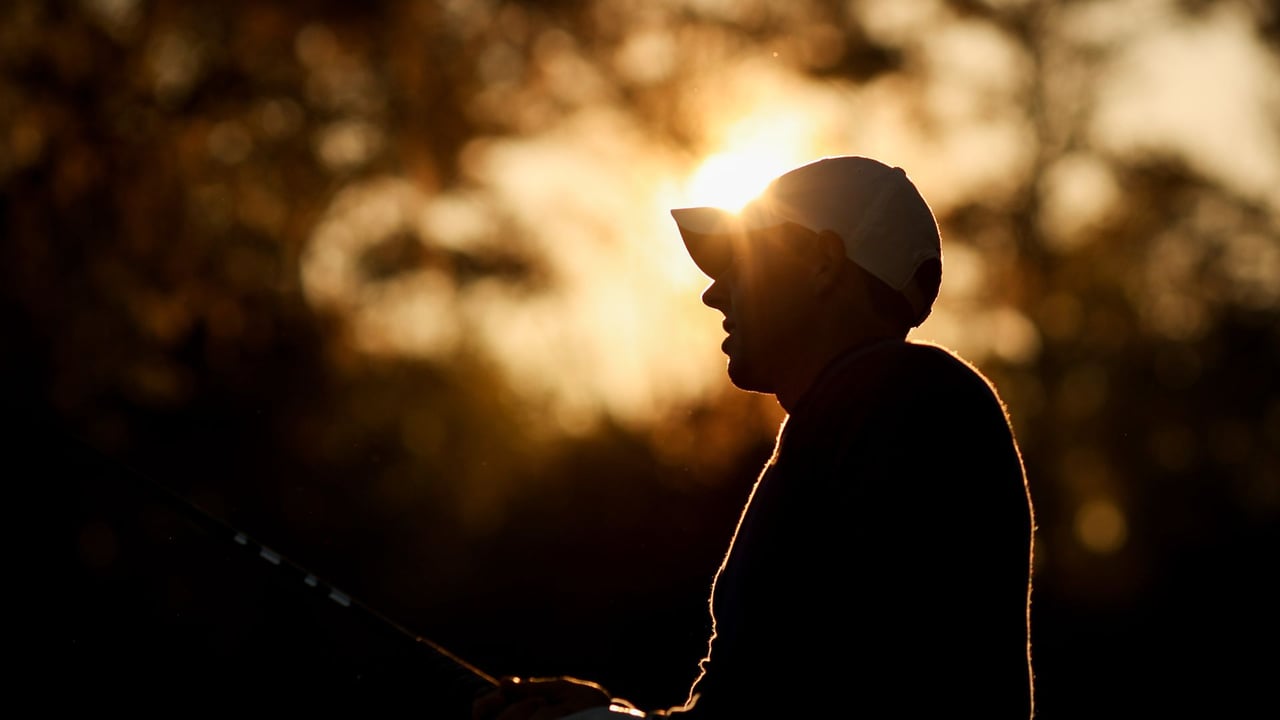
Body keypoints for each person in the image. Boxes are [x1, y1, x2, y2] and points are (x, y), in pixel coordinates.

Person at [473, 155, 1036, 719]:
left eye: (740, 262)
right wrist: (614, 718)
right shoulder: (874, 407)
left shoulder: (898, 399)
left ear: (822, 263)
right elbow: (782, 699)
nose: (713, 294)